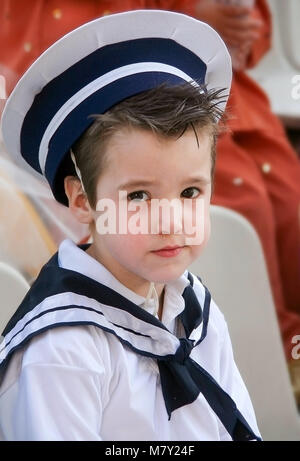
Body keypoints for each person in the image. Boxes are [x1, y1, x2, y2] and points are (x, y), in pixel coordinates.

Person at [0, 10, 261, 441]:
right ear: (83, 201)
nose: (171, 220)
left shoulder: (192, 307)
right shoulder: (63, 352)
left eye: (190, 192)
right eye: (139, 196)